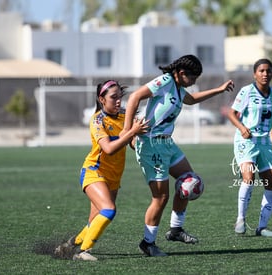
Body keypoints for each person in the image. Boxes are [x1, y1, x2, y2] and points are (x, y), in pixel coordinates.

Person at [123, 54, 235, 256]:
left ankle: (175, 230)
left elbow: (191, 100)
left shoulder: (178, 88)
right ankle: (147, 243)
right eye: (193, 78)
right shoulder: (165, 81)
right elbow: (134, 97)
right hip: (151, 145)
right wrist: (127, 131)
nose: (194, 82)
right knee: (161, 197)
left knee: (189, 180)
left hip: (167, 143)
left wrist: (219, 90)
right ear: (181, 73)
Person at [54, 80, 148, 261]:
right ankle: (83, 252)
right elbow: (109, 149)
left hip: (113, 177)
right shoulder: (97, 120)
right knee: (109, 210)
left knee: (94, 220)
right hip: (94, 172)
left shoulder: (124, 117)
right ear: (101, 99)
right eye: (114, 97)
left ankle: (68, 246)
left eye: (120, 97)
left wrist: (139, 137)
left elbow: (132, 144)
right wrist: (131, 132)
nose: (119, 101)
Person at [227, 58, 272, 237]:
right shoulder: (247, 91)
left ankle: (262, 227)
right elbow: (232, 113)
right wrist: (242, 128)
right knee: (249, 177)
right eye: (261, 71)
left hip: (266, 142)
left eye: (268, 71)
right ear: (255, 74)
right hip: (247, 141)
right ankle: (240, 219)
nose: (265, 74)